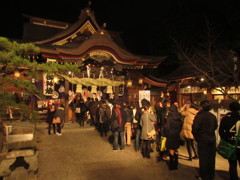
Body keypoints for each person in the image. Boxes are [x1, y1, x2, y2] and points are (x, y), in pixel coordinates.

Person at [192, 100, 218, 180]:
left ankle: (204, 176)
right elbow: (215, 127)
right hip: (212, 139)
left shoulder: (199, 116)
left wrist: (197, 137)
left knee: (203, 159)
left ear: (202, 107)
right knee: (211, 158)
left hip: (202, 139)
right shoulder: (213, 116)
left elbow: (194, 129)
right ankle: (211, 175)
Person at [219, 101, 240, 180]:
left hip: (230, 145)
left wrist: (225, 139)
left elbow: (221, 131)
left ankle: (233, 178)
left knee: (232, 164)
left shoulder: (226, 119)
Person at [165, 104, 183, 170]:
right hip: (177, 134)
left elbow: (167, 128)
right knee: (176, 149)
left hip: (171, 135)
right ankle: (176, 164)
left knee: (171, 150)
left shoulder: (169, 118)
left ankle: (172, 165)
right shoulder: (179, 117)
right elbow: (181, 126)